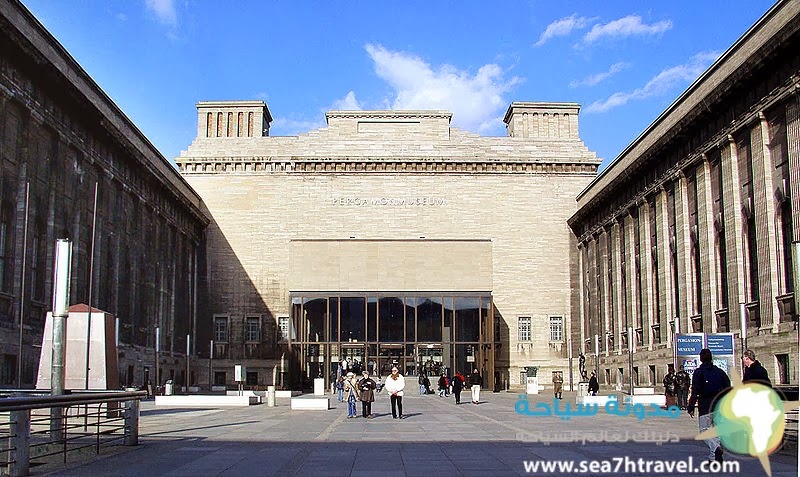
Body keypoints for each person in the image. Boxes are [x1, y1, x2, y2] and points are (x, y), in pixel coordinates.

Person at [688, 348, 731, 463]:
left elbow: (695, 390)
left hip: (706, 406)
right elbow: (728, 387)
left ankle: (716, 449)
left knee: (704, 431)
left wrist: (691, 406)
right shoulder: (720, 372)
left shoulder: (698, 372)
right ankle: (714, 458)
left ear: (701, 359)